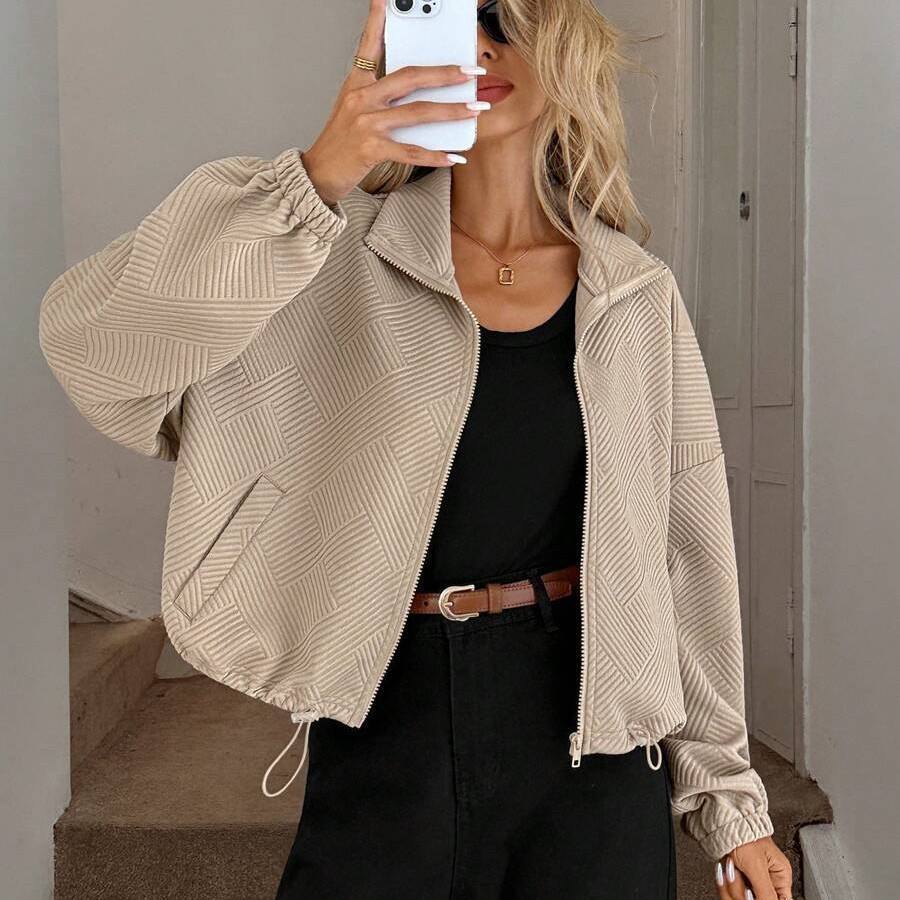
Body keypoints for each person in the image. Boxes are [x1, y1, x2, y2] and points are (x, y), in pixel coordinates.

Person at [37, 0, 794, 897]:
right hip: (389, 712)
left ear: (564, 46)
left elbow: (686, 549)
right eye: (448, 14)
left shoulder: (633, 293)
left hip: (595, 744)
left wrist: (730, 801)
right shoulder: (320, 254)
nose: (477, 43)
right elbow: (96, 353)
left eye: (504, 18)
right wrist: (317, 177)